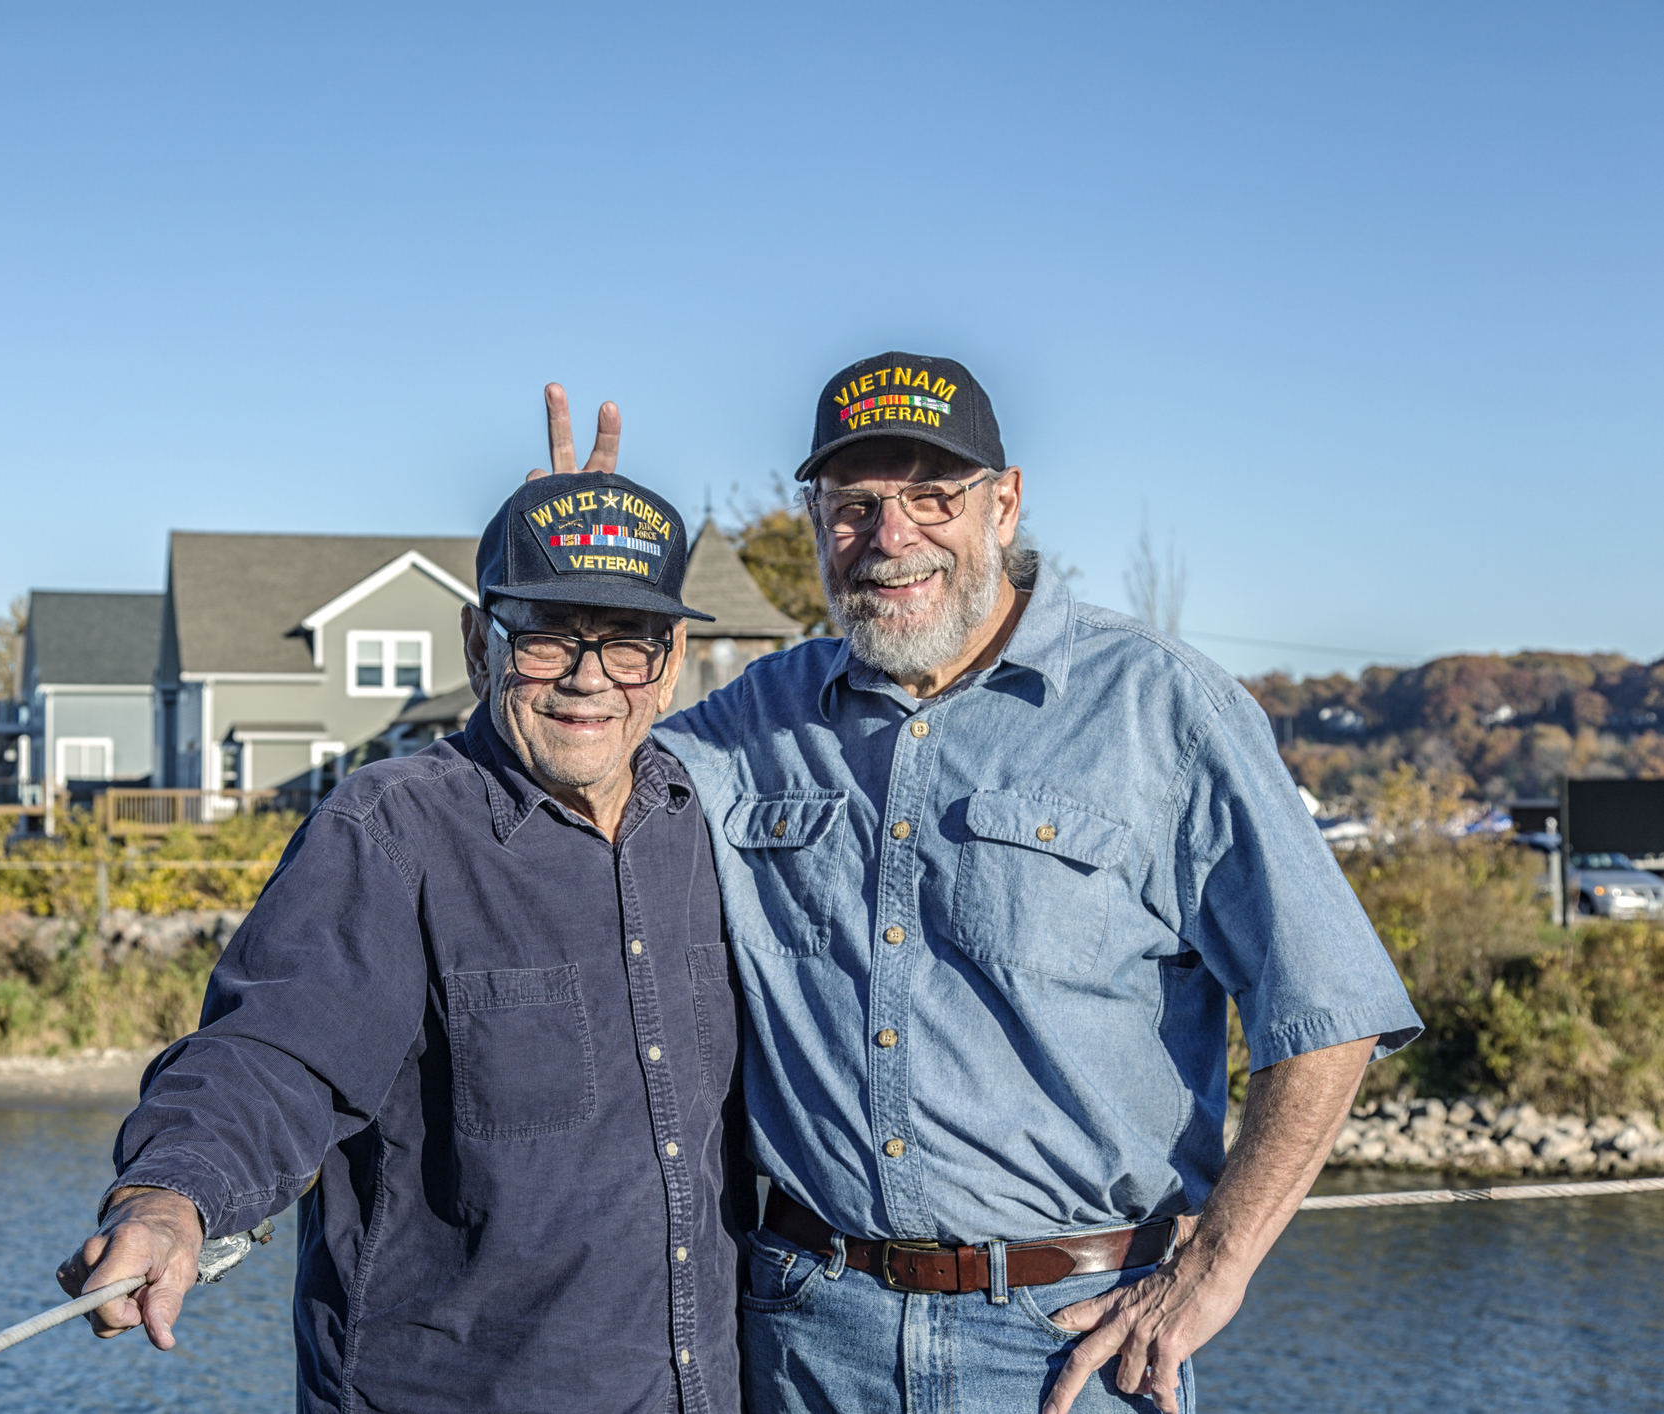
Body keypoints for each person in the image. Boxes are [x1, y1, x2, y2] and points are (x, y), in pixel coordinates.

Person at [537, 355, 1422, 1414]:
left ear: (1003, 505)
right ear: (816, 521)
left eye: (931, 497)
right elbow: (573, 767)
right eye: (853, 505)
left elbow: (1327, 1010)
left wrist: (1213, 1270)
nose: (890, 536)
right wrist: (576, 584)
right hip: (808, 1337)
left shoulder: (1162, 708)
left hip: (1072, 1346)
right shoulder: (750, 721)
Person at [56, 465, 756, 1414]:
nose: (588, 677)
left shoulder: (708, 823)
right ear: (478, 644)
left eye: (627, 642)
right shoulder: (389, 831)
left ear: (669, 663)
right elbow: (273, 1055)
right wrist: (171, 1198)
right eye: (548, 636)